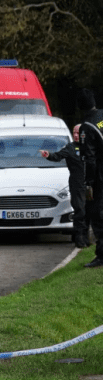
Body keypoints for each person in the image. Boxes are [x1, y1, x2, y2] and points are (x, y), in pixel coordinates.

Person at [40, 125, 88, 248]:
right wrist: (48, 155)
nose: (76, 135)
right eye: (74, 133)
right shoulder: (70, 148)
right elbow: (57, 156)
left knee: (93, 211)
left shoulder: (92, 145)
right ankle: (79, 239)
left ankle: (88, 238)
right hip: (77, 184)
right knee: (80, 211)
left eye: (79, 133)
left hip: (92, 184)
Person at [78, 88, 103, 267]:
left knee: (97, 214)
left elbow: (90, 159)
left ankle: (101, 255)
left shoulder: (87, 126)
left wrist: (88, 183)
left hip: (100, 176)